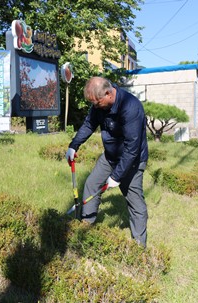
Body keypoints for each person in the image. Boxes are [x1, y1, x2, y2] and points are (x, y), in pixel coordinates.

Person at [65, 76, 149, 247]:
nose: (95, 107)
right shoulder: (99, 105)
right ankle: (85, 227)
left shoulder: (131, 108)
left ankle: (139, 248)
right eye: (93, 104)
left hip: (132, 160)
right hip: (110, 156)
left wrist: (117, 176)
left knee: (134, 202)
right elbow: (89, 124)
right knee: (91, 185)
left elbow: (132, 148)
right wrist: (74, 145)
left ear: (109, 94)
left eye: (97, 103)